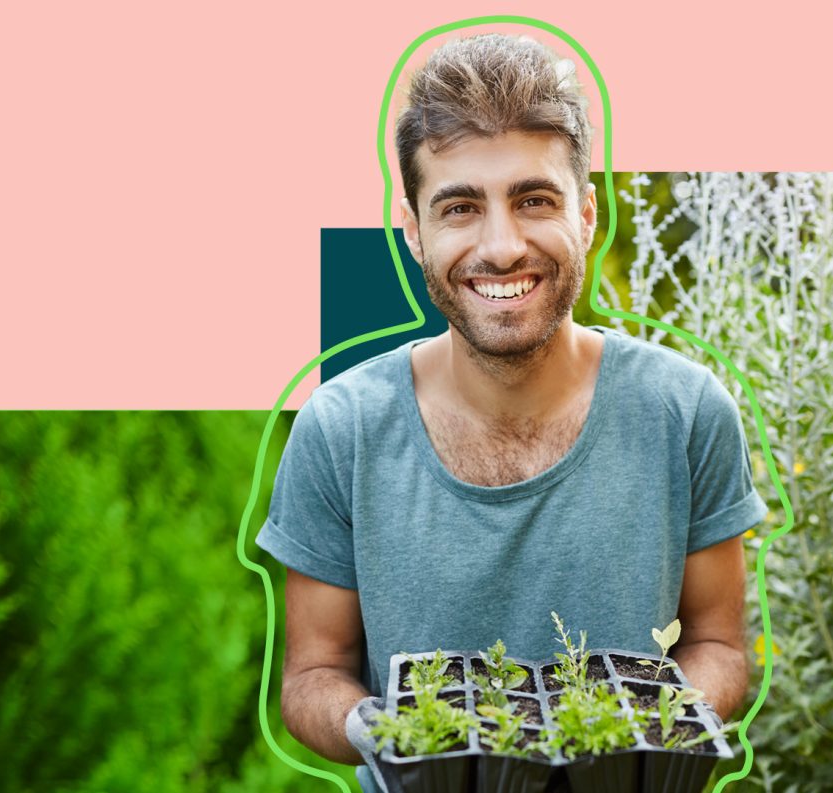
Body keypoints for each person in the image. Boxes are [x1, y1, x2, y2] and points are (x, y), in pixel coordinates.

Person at [256, 32, 768, 791]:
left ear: (588, 214)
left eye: (534, 199)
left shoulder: (685, 411)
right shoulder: (343, 430)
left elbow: (722, 644)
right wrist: (391, 732)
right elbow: (313, 672)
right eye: (460, 206)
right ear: (413, 232)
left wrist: (642, 734)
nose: (501, 246)